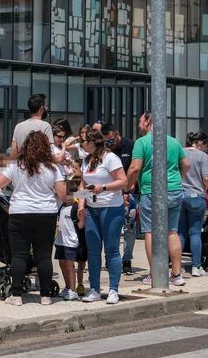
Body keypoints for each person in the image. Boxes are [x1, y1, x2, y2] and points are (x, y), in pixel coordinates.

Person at [0, 130, 67, 306]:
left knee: (19, 255)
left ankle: (17, 296)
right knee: (43, 256)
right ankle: (45, 296)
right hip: (46, 213)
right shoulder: (53, 168)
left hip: (19, 212)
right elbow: (63, 194)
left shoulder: (16, 165)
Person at [127, 112, 189, 287]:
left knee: (150, 232)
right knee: (172, 231)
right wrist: (178, 179)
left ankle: (155, 275)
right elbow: (186, 165)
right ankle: (176, 275)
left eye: (140, 121)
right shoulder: (173, 141)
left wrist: (127, 186)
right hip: (175, 190)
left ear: (148, 122)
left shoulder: (142, 142)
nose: (138, 125)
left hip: (151, 191)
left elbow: (134, 168)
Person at [79, 127, 127, 304]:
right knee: (93, 251)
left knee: (112, 249)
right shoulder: (86, 160)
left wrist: (104, 188)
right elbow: (82, 185)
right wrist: (81, 205)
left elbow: (124, 181)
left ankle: (113, 289)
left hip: (111, 207)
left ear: (91, 143)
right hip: (92, 208)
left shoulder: (110, 158)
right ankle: (94, 289)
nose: (80, 144)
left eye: (82, 141)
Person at [98, 121, 136, 273]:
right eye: (106, 141)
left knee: (129, 228)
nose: (109, 144)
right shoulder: (104, 150)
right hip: (110, 193)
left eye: (111, 140)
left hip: (129, 192)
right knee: (110, 228)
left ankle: (127, 259)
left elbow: (135, 168)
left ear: (117, 134)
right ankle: (110, 258)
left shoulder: (130, 146)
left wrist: (128, 189)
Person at [180, 131, 208, 277]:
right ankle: (196, 266)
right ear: (200, 142)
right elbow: (206, 179)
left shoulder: (180, 152)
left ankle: (177, 267)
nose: (206, 148)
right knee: (194, 232)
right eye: (205, 145)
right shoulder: (203, 157)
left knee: (179, 232)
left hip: (179, 195)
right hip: (196, 197)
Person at [54, 183, 83, 301]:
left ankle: (72, 289)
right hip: (60, 240)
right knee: (62, 263)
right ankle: (67, 287)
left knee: (70, 265)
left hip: (71, 241)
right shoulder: (62, 206)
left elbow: (80, 224)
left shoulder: (76, 207)